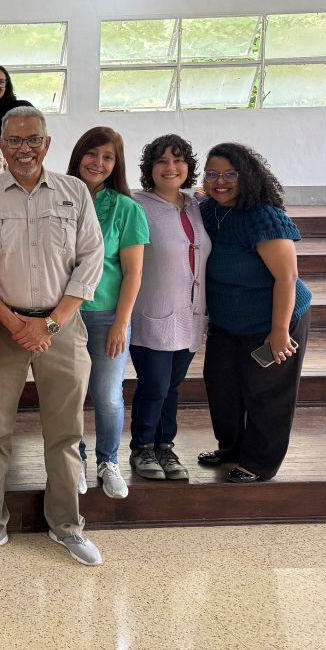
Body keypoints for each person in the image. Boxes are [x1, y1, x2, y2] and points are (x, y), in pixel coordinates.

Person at [0, 105, 105, 567]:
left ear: (47, 143)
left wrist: (52, 323)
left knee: (65, 432)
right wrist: (14, 322)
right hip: (1, 330)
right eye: (15, 141)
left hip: (61, 327)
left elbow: (90, 259)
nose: (24, 149)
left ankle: (66, 526)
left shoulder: (74, 191)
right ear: (0, 146)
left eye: (33, 140)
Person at [199, 143, 313, 483]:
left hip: (274, 318)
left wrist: (279, 331)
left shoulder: (263, 215)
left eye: (230, 174)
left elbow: (287, 277)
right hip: (226, 321)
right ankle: (232, 447)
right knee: (221, 386)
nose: (220, 182)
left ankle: (259, 463)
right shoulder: (208, 211)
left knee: (267, 392)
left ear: (246, 176)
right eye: (213, 174)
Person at [66, 127, 149, 499]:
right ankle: (76, 461)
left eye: (107, 157)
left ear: (116, 165)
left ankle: (108, 461)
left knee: (107, 394)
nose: (98, 162)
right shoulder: (59, 198)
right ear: (78, 155)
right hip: (65, 314)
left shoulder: (126, 208)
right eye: (92, 153)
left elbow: (133, 272)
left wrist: (121, 322)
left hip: (105, 317)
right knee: (70, 394)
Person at [130, 135, 211, 485]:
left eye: (178, 160)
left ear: (188, 167)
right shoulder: (136, 204)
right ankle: (142, 446)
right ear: (150, 168)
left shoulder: (196, 204)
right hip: (151, 311)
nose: (170, 167)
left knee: (173, 385)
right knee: (155, 384)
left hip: (191, 314)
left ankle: (165, 445)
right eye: (161, 161)